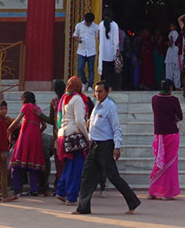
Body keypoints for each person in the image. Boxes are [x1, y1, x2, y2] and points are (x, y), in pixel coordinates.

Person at [75, 80, 141, 215]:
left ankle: (133, 202)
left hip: (105, 146)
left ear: (107, 92)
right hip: (93, 146)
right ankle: (83, 207)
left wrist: (117, 146)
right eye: (96, 91)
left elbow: (116, 127)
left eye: (100, 91)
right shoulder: (95, 106)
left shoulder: (110, 107)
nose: (97, 94)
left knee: (113, 176)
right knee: (87, 176)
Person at [56, 75, 91, 204]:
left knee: (69, 166)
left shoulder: (64, 98)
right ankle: (71, 196)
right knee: (77, 167)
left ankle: (61, 190)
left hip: (63, 134)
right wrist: (87, 137)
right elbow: (80, 121)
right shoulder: (77, 99)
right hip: (74, 135)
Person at [149, 79, 184, 200]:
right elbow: (180, 116)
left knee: (159, 162)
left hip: (158, 135)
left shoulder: (155, 99)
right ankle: (167, 192)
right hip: (171, 134)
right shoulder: (174, 100)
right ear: (170, 88)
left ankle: (153, 191)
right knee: (170, 163)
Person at [10, 91, 47, 196]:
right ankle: (34, 189)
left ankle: (17, 188)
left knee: (16, 164)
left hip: (25, 138)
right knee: (33, 165)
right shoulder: (37, 109)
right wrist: (36, 133)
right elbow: (44, 126)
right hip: (36, 139)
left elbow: (17, 120)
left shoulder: (26, 107)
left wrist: (8, 129)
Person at [99, 10, 123, 90]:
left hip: (103, 52)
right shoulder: (115, 25)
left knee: (105, 71)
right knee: (112, 70)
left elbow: (99, 38)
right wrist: (117, 49)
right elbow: (116, 39)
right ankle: (111, 86)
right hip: (112, 52)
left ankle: (105, 86)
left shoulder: (101, 24)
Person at [73, 13, 99, 89]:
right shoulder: (79, 25)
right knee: (80, 67)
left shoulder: (96, 27)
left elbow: (98, 37)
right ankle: (84, 82)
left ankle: (90, 85)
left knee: (91, 68)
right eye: (87, 22)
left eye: (90, 23)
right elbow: (75, 35)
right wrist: (78, 39)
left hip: (91, 50)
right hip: (81, 50)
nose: (88, 24)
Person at [165, 22, 182, 89]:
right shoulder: (177, 33)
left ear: (175, 26)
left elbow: (171, 43)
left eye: (172, 26)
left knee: (169, 71)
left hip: (171, 53)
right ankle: (177, 86)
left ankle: (169, 87)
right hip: (176, 52)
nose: (171, 27)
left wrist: (167, 43)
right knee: (176, 70)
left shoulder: (172, 33)